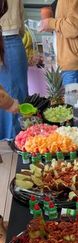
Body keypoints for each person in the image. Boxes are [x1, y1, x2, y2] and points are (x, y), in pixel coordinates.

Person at [40, 0, 78, 87]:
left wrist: (50, 23)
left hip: (77, 67)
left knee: (74, 100)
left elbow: (74, 27)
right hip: (70, 64)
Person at [0, 0, 28, 140]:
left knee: (13, 91)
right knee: (13, 91)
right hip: (9, 37)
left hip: (11, 36)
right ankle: (15, 138)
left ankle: (17, 138)